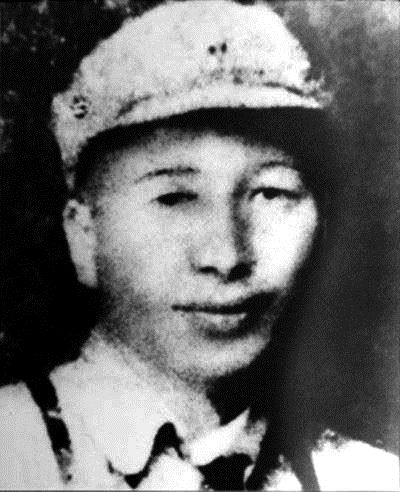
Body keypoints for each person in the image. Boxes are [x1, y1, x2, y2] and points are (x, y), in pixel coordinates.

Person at [0, 1, 398, 490]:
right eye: (175, 198)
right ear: (83, 235)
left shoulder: (367, 478)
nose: (227, 257)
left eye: (271, 192)